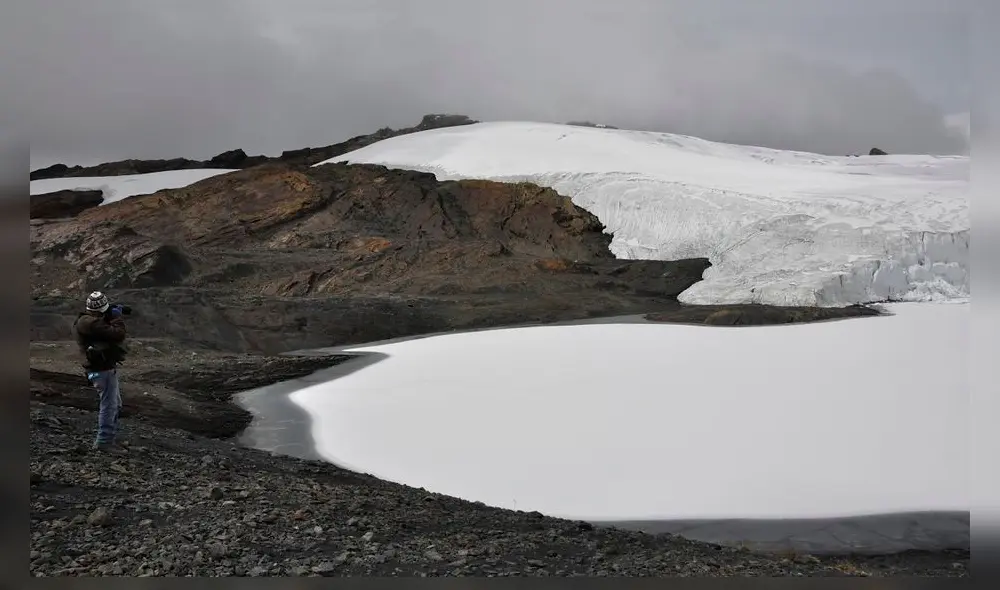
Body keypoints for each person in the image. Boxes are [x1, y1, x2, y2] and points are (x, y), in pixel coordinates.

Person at [73, 291, 129, 453]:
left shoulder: (86, 320)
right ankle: (104, 441)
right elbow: (118, 334)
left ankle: (109, 438)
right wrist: (117, 317)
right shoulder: (90, 323)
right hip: (101, 370)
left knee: (115, 404)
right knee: (109, 406)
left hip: (103, 368)